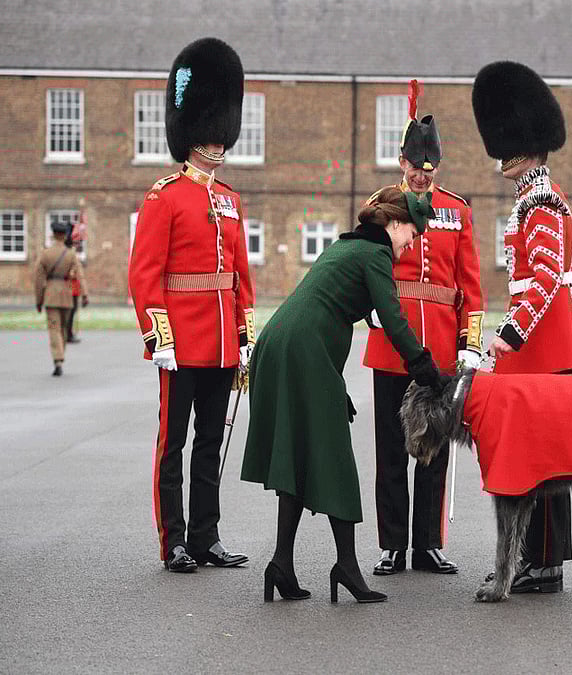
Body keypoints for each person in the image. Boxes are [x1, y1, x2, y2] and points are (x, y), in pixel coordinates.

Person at [241, 187, 447, 604]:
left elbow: (327, 307)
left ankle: (281, 564)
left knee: (298, 455)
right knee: (336, 457)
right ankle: (347, 567)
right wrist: (427, 370)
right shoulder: (376, 255)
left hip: (284, 343)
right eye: (411, 232)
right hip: (304, 351)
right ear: (392, 224)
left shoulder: (350, 247)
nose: (413, 242)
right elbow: (393, 318)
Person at [128, 38, 254, 573]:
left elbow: (240, 277)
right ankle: (173, 541)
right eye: (210, 133)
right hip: (182, 342)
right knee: (172, 445)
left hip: (223, 341)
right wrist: (159, 336)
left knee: (209, 444)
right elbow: (144, 274)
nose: (217, 143)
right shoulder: (164, 197)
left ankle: (206, 536)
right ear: (192, 134)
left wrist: (246, 336)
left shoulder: (229, 199)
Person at [473, 60, 572, 593]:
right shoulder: (531, 198)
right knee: (537, 455)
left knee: (540, 456)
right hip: (537, 345)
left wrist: (511, 334)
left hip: (539, 346)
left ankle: (542, 562)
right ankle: (536, 558)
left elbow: (543, 280)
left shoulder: (539, 201)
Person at [363, 81, 483, 577]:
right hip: (393, 344)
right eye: (413, 170)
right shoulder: (381, 205)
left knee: (432, 448)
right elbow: (361, 264)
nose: (419, 179)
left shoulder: (457, 210)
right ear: (401, 162)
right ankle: (392, 544)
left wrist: (469, 342)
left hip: (439, 350)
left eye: (427, 172)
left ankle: (428, 543)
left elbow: (469, 284)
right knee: (391, 449)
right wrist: (366, 307)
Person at [34, 220, 88, 376]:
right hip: (67, 295)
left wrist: (39, 300)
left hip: (50, 295)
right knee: (64, 329)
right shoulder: (71, 254)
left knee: (54, 329)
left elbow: (38, 280)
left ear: (53, 234)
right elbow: (80, 275)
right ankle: (60, 355)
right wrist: (84, 295)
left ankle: (57, 359)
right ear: (64, 235)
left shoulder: (45, 254)